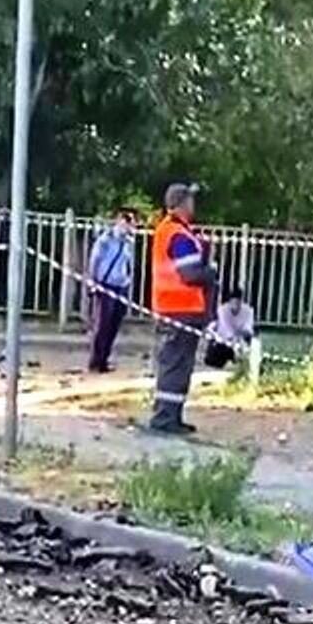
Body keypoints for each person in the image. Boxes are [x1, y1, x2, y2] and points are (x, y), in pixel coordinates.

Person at [148, 182, 215, 435]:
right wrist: (211, 272)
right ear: (181, 204)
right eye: (190, 200)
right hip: (179, 309)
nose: (193, 205)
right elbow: (190, 274)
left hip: (176, 308)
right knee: (175, 365)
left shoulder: (174, 231)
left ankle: (171, 417)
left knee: (179, 365)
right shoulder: (178, 234)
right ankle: (165, 419)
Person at [84, 207, 137, 374]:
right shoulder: (106, 240)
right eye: (127, 221)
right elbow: (95, 260)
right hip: (105, 285)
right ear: (119, 220)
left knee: (114, 324)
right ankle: (95, 361)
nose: (129, 226)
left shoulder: (128, 242)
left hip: (120, 286)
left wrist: (127, 281)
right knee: (102, 325)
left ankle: (104, 359)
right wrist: (92, 282)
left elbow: (127, 264)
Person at [204, 287, 258, 372]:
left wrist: (240, 337)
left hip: (241, 341)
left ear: (241, 302)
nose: (235, 305)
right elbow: (225, 328)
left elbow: (248, 328)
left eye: (238, 302)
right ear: (229, 302)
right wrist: (232, 338)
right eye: (233, 302)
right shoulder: (222, 310)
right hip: (224, 342)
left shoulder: (248, 311)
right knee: (212, 360)